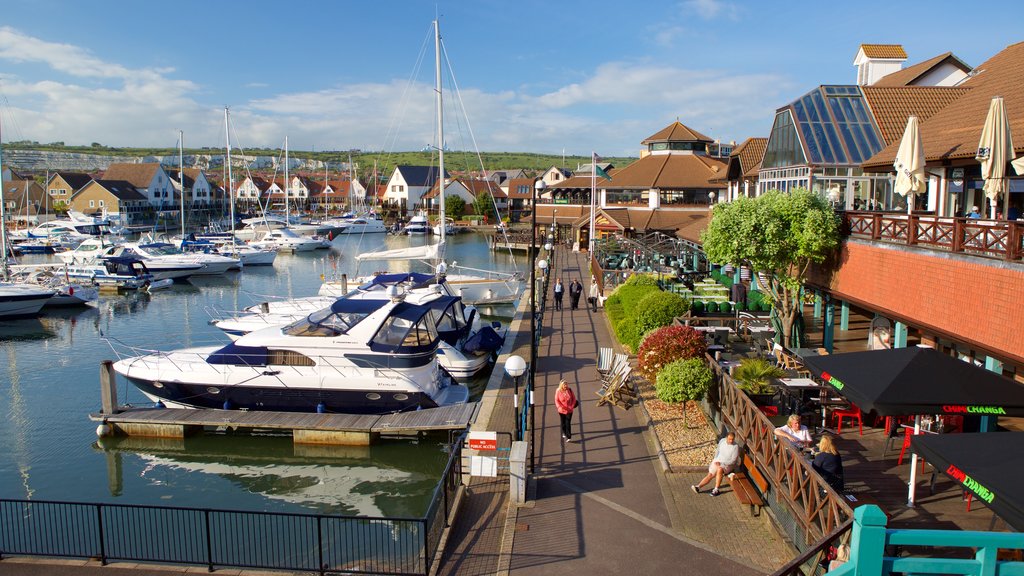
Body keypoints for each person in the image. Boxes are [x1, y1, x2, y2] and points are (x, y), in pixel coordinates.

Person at [692, 431, 741, 496]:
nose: (731, 441)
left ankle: (716, 489)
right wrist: (715, 459)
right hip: (718, 461)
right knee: (710, 475)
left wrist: (721, 463)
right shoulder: (722, 441)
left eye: (732, 439)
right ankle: (698, 487)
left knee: (720, 469)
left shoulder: (735, 447)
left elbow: (733, 461)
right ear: (726, 438)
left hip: (728, 465)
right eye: (729, 439)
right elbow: (717, 451)